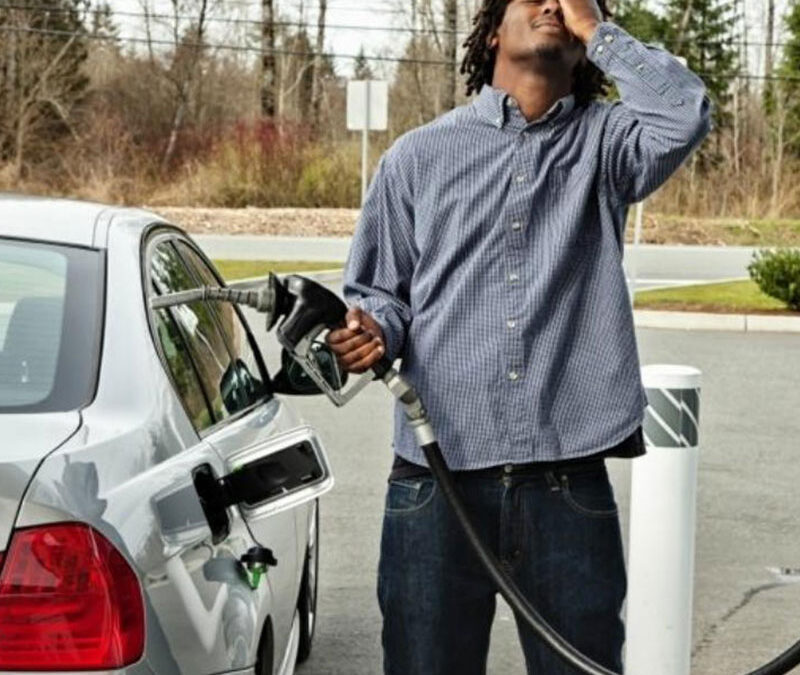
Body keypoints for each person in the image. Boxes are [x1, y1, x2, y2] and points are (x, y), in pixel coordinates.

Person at [326, 0, 711, 673]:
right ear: (492, 31)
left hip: (568, 484)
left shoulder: (610, 145)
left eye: (571, 2)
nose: (554, 6)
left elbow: (683, 112)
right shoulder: (417, 156)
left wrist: (599, 31)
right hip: (434, 485)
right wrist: (371, 333)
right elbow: (378, 295)